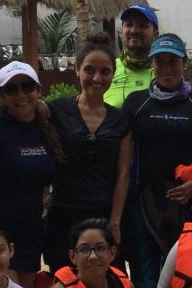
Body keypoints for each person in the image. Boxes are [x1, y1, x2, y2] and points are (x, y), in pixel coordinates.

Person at [123, 33, 192, 288]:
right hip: (144, 206)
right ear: (151, 64)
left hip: (189, 208)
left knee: (181, 279)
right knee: (145, 281)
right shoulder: (135, 103)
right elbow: (120, 151)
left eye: (173, 62)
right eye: (160, 62)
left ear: (184, 63)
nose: (167, 68)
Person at [0, 62, 62, 288]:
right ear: (2, 95)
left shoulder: (45, 128)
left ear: (38, 90)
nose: (21, 94)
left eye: (27, 86)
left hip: (30, 232)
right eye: (12, 89)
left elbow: (44, 183)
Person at [45, 33, 132, 273]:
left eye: (105, 71)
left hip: (103, 215)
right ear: (76, 70)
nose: (97, 78)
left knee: (109, 282)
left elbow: (123, 173)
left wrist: (115, 221)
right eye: (89, 70)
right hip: (64, 213)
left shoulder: (120, 119)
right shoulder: (56, 111)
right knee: (64, 282)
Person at [104, 3, 159, 107]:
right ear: (121, 32)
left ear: (155, 35)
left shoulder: (164, 73)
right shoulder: (107, 70)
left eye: (142, 25)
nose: (134, 31)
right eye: (129, 24)